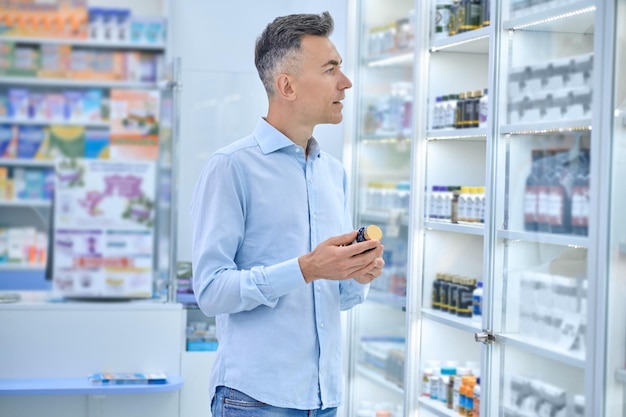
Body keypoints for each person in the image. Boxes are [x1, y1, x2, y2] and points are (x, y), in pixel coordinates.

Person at [190, 11, 385, 417]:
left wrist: (357, 276)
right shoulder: (232, 167)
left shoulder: (333, 172)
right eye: (331, 69)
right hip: (256, 401)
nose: (345, 83)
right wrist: (307, 268)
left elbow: (336, 298)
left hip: (323, 399)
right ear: (287, 86)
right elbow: (210, 292)